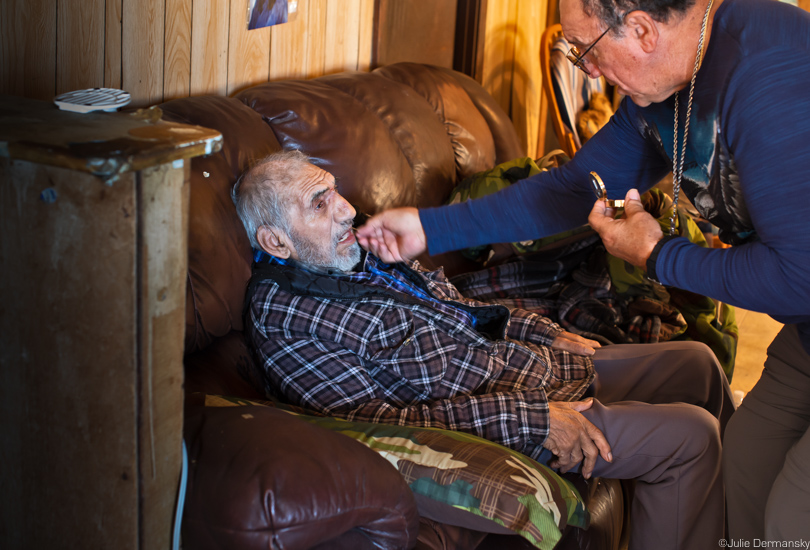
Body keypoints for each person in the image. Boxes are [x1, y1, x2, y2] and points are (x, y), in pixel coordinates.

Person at [356, 0, 810, 542]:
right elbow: (574, 189)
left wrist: (658, 254)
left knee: (791, 516)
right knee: (745, 468)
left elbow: (798, 276)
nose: (586, 70)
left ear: (642, 29)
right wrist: (429, 231)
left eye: (586, 49)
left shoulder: (770, 74)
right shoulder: (667, 78)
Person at [233, 150, 735, 550]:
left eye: (334, 189)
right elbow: (383, 427)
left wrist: (541, 331)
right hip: (508, 423)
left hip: (526, 368)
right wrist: (535, 420)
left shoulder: (345, 254)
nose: (345, 208)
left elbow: (458, 306)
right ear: (275, 242)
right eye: (319, 203)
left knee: (698, 363)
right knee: (690, 438)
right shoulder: (286, 322)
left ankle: (738, 526)